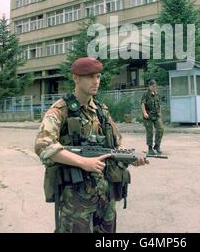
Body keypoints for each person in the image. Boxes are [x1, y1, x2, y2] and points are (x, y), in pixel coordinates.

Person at [35, 57, 147, 233]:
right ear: (76, 78)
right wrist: (83, 162)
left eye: (98, 76)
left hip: (105, 195)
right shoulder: (60, 110)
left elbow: (116, 143)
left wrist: (130, 158)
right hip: (76, 199)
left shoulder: (102, 110)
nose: (96, 81)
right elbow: (43, 145)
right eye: (90, 77)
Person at [141, 79, 164, 155]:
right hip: (148, 116)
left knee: (160, 129)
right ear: (150, 86)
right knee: (150, 132)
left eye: (155, 86)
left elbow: (159, 105)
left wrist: (160, 114)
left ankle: (157, 146)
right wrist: (144, 113)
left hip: (156, 115)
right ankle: (150, 148)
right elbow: (142, 104)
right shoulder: (146, 94)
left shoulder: (157, 94)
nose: (155, 87)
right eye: (153, 86)